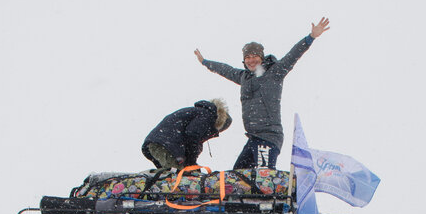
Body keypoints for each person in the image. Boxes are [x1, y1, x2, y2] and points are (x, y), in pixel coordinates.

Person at [194, 17, 331, 169]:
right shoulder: (244, 77)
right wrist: (205, 62)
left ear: (261, 57)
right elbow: (225, 69)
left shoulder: (275, 72)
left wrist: (310, 37)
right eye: (247, 57)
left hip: (268, 137)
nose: (251, 60)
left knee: (263, 175)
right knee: (237, 177)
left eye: (255, 56)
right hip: (253, 138)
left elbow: (293, 55)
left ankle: (271, 192)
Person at [141, 99, 231, 170]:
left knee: (171, 174)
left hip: (158, 143)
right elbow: (192, 136)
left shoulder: (198, 113)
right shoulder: (206, 116)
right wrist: (192, 162)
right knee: (178, 175)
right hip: (166, 145)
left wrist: (191, 163)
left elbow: (190, 139)